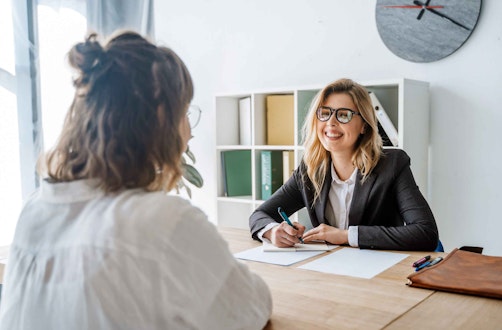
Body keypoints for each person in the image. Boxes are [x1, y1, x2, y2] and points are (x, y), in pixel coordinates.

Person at [0, 31, 271, 330]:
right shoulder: (165, 221)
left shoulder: (35, 209)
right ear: (159, 118)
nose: (189, 131)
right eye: (184, 112)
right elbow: (251, 307)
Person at [250, 78, 439, 251]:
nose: (331, 123)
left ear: (364, 125)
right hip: (330, 270)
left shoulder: (392, 165)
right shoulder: (310, 170)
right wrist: (273, 231)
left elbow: (425, 233)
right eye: (324, 113)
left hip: (379, 273)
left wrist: (346, 236)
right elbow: (260, 215)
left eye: (344, 115)